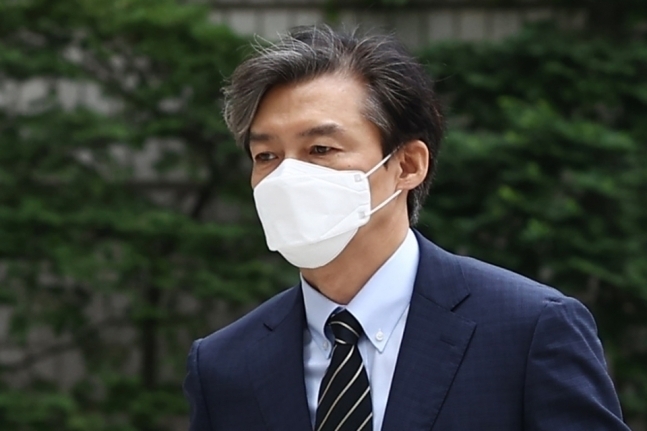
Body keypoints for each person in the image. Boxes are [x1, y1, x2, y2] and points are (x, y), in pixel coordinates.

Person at [183, 25, 629, 431]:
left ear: (408, 165)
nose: (288, 176)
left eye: (320, 148)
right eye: (266, 156)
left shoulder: (528, 330)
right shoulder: (224, 365)